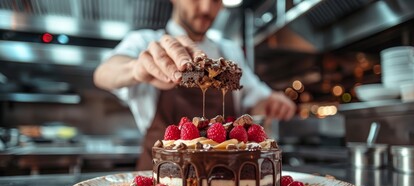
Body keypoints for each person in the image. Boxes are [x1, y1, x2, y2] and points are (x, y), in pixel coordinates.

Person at [93, 0, 296, 170]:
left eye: (216, 0)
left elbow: (256, 101)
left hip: (227, 181)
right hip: (162, 181)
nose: (206, 8)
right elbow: (103, 73)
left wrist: (272, 103)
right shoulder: (145, 41)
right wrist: (136, 68)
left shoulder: (230, 52)